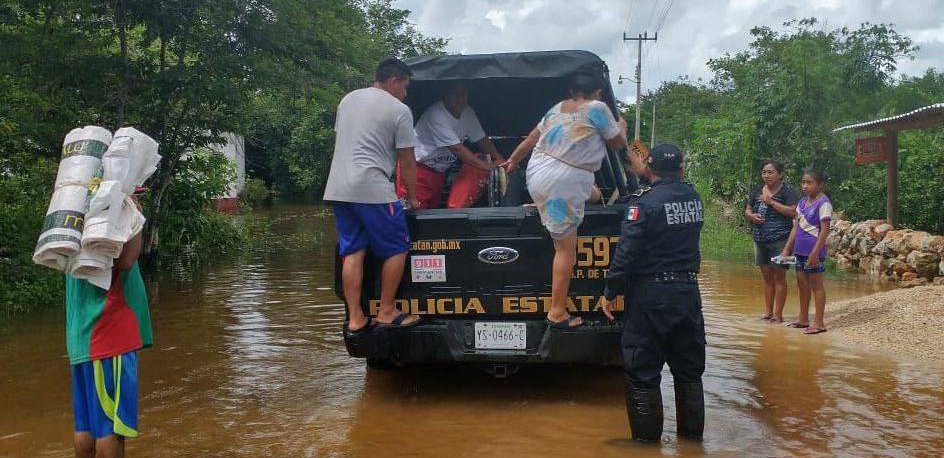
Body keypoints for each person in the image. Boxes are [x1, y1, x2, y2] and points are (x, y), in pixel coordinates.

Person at [501, 67, 639, 328]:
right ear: (598, 92)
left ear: (571, 91)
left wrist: (513, 161)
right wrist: (621, 127)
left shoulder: (557, 109)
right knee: (565, 250)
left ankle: (546, 205)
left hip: (539, 174)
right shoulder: (597, 108)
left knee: (594, 195)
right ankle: (557, 312)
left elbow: (531, 139)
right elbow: (617, 144)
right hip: (562, 182)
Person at [601, 144, 706, 443]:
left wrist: (611, 291)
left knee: (643, 372)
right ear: (681, 168)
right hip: (688, 292)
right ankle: (692, 444)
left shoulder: (643, 203)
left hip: (651, 295)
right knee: (689, 373)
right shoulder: (693, 197)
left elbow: (627, 252)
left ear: (650, 167)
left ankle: (645, 446)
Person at [323, 57, 422, 332]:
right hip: (371, 187)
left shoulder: (348, 100)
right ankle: (387, 310)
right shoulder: (399, 109)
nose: (406, 93)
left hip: (339, 188)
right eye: (405, 86)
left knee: (353, 250)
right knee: (398, 247)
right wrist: (413, 198)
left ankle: (356, 318)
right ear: (393, 80)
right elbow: (407, 160)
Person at [68, 219, 152, 458]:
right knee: (110, 428)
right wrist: (136, 218)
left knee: (86, 426)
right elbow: (126, 259)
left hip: (81, 334)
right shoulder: (115, 205)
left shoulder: (73, 210)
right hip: (108, 332)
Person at [397, 82, 504, 209]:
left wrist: (500, 160)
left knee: (433, 213)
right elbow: (456, 148)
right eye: (455, 94)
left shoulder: (468, 112)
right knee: (416, 212)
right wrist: (487, 167)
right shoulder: (436, 114)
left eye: (463, 94)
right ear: (445, 95)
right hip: (417, 171)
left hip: (439, 173)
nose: (460, 99)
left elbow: (482, 140)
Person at [744, 159, 799, 323]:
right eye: (764, 172)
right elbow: (748, 209)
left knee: (779, 276)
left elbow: (793, 212)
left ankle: (778, 314)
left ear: (780, 174)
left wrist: (772, 202)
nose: (766, 175)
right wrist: (751, 216)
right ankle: (768, 312)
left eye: (770, 172)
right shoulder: (757, 190)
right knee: (767, 277)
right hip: (760, 239)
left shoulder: (787, 191)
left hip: (781, 240)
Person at [780, 168, 832, 335]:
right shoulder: (802, 203)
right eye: (803, 182)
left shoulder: (824, 203)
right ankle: (803, 318)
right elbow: (796, 227)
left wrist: (815, 252)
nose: (805, 186)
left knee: (816, 285)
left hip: (814, 252)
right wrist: (787, 248)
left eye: (810, 183)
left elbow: (824, 230)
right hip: (800, 250)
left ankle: (819, 322)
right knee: (802, 284)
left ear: (820, 185)